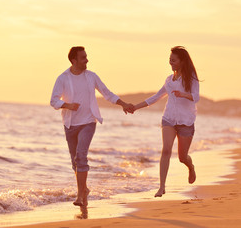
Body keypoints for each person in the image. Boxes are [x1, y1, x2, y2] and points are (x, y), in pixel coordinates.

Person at [50, 46, 134, 206]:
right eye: (83, 57)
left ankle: (80, 196)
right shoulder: (63, 78)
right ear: (74, 60)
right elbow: (53, 100)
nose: (87, 60)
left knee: (81, 156)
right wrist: (67, 105)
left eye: (86, 56)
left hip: (88, 122)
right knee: (75, 162)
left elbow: (107, 93)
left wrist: (123, 104)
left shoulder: (91, 76)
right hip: (69, 124)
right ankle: (85, 189)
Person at [132, 46, 199, 197]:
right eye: (170, 60)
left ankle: (190, 166)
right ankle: (161, 187)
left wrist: (183, 94)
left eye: (174, 60)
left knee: (182, 157)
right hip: (168, 119)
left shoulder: (191, 78)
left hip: (186, 121)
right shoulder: (169, 80)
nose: (171, 63)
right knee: (166, 150)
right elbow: (156, 97)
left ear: (182, 61)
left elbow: (196, 97)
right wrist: (136, 107)